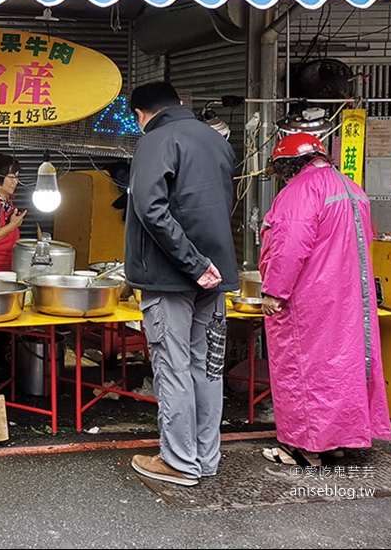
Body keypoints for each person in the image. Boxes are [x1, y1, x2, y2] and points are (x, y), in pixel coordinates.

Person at [123, 82, 238, 487]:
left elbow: (150, 209)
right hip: (215, 275)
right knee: (206, 368)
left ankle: (178, 462)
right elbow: (219, 206)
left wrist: (192, 263)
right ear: (180, 103)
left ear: (140, 114)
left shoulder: (155, 140)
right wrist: (207, 265)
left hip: (171, 276)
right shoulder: (216, 140)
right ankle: (206, 459)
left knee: (172, 368)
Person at [258, 132, 390, 467]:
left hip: (309, 298)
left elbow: (289, 247)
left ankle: (303, 449)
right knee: (340, 370)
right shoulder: (352, 189)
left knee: (303, 370)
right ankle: (335, 442)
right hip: (348, 299)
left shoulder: (300, 191)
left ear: (289, 164)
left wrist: (275, 290)